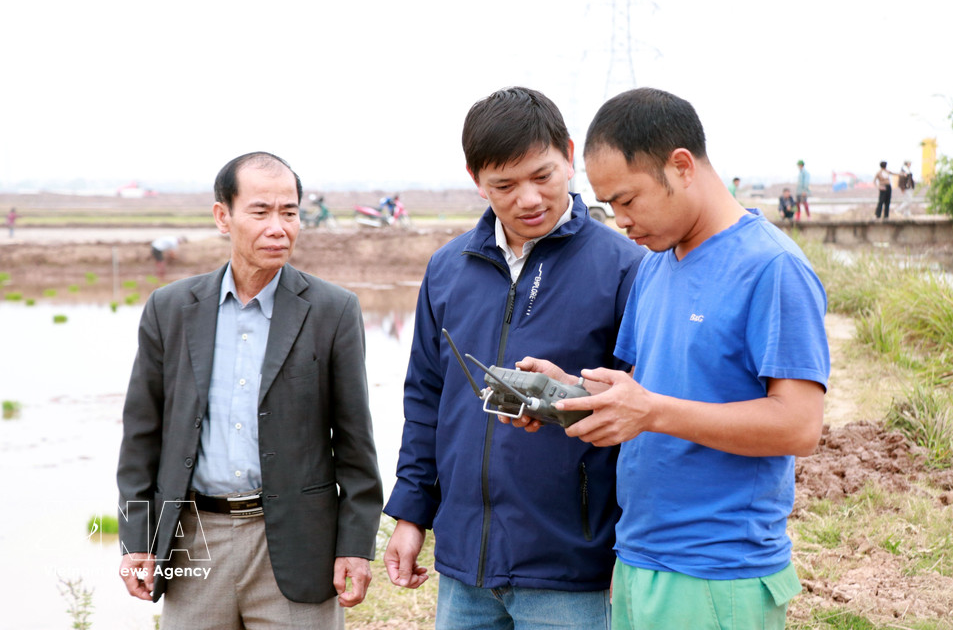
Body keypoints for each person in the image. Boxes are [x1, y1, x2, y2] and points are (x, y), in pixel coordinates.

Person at [519, 88, 829, 629]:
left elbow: (799, 426)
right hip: (639, 558)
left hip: (718, 573)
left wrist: (653, 411)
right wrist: (568, 393)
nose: (620, 221)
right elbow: (647, 392)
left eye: (627, 200)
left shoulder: (772, 268)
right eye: (609, 205)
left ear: (681, 166)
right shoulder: (655, 266)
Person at [383, 87, 645, 629]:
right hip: (464, 565)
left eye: (543, 176)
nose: (528, 199)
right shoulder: (447, 268)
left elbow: (644, 408)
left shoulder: (626, 267)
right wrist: (411, 512)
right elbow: (425, 398)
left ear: (569, 156)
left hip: (570, 563)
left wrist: (566, 399)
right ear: (475, 179)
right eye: (504, 185)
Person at [116, 152, 383, 629]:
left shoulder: (332, 311)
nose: (279, 227)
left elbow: (355, 443)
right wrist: (137, 539)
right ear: (224, 216)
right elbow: (141, 436)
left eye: (290, 212)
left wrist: (355, 548)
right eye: (261, 212)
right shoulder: (170, 309)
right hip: (195, 542)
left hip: (298, 544)